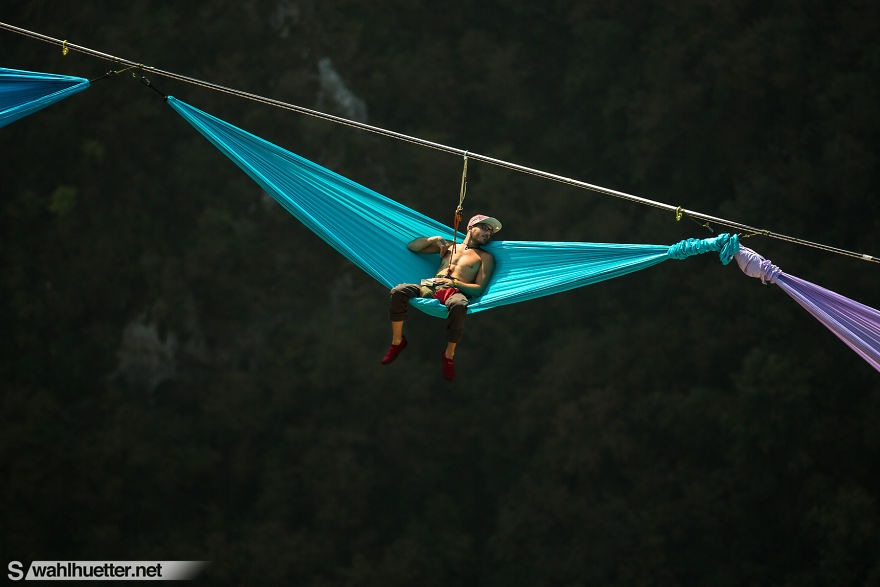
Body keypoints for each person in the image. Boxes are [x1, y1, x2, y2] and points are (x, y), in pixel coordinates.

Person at [381, 214, 501, 380]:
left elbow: (479, 289)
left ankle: (449, 355)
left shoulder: (485, 258)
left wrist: (456, 283)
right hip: (430, 287)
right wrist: (434, 240)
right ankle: (397, 341)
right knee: (398, 291)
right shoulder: (449, 246)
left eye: (490, 232)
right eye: (484, 228)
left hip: (455, 293)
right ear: (470, 227)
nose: (488, 233)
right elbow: (412, 246)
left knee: (459, 306)